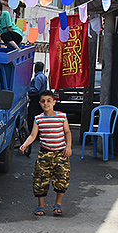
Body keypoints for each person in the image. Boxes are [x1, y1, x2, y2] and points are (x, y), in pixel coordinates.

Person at [19, 89, 72, 217]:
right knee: (40, 179)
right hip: (44, 154)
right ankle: (41, 205)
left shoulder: (62, 116)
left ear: (54, 102)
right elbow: (33, 135)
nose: (46, 104)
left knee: (62, 179)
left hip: (60, 154)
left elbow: (67, 132)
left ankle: (58, 203)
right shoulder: (38, 119)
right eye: (43, 101)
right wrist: (25, 144)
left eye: (49, 101)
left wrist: (68, 146)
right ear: (40, 103)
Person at [26, 61, 50, 149]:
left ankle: (34, 134)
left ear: (35, 68)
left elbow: (36, 89)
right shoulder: (43, 76)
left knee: (32, 117)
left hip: (36, 99)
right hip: (41, 99)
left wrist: (27, 89)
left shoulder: (38, 78)